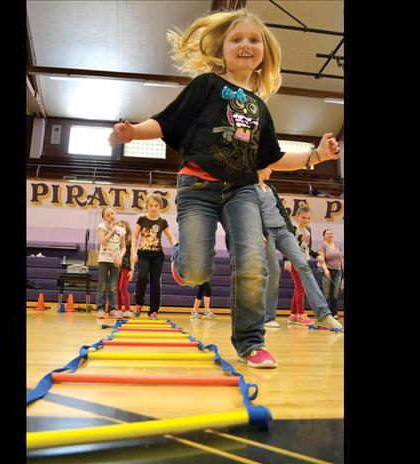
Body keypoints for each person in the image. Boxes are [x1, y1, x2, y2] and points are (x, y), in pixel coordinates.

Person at [109, 9, 341, 368]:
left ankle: (250, 342)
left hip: (242, 190)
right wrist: (133, 132)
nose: (246, 45)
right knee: (198, 272)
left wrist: (316, 155)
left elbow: (272, 158)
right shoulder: (206, 85)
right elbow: (168, 121)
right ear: (222, 48)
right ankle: (184, 258)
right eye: (237, 39)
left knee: (253, 263)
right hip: (198, 186)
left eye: (253, 39)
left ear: (264, 51)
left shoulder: (260, 108)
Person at [255, 168, 342, 330]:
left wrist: (289, 230)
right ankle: (268, 317)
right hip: (267, 232)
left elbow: (281, 212)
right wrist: (259, 231)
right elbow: (251, 212)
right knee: (274, 272)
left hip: (283, 230)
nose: (272, 171)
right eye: (269, 167)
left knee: (304, 266)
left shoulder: (271, 188)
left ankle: (324, 314)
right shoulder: (250, 189)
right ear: (260, 168)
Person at [131, 193, 177, 320]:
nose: (153, 207)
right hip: (143, 254)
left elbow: (171, 237)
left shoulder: (162, 222)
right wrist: (134, 252)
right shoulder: (141, 220)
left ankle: (153, 311)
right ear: (147, 206)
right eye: (151, 205)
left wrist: (176, 245)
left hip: (157, 256)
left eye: (156, 205)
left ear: (159, 207)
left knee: (155, 283)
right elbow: (134, 237)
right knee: (142, 277)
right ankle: (139, 303)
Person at [283, 205, 328, 326]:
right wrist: (286, 260)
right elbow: (286, 245)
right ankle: (300, 315)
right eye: (303, 217)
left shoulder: (308, 230)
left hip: (304, 261)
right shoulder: (292, 228)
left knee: (298, 287)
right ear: (297, 217)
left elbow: (307, 247)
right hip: (294, 261)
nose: (306, 220)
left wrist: (317, 256)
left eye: (308, 218)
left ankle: (293, 315)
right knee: (301, 287)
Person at [96, 207, 126, 319]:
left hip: (115, 261)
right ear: (104, 217)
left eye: (112, 213)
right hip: (104, 259)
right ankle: (100, 309)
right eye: (107, 215)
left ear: (115, 214)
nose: (111, 216)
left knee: (113, 286)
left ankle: (113, 309)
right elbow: (102, 241)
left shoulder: (122, 231)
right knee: (102, 285)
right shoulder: (102, 227)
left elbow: (123, 247)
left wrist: (120, 256)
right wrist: (112, 231)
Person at [318, 229, 344, 319]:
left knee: (335, 292)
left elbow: (341, 259)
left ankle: (334, 312)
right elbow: (321, 260)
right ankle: (326, 313)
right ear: (324, 236)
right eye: (328, 233)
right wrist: (325, 270)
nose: (330, 235)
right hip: (326, 270)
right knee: (326, 293)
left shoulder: (337, 245)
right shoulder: (322, 246)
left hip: (337, 271)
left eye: (331, 233)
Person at [116, 219, 134, 318]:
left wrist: (132, 270)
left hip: (126, 266)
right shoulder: (115, 239)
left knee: (122, 287)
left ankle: (127, 309)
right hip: (116, 266)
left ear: (126, 228)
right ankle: (119, 309)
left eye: (122, 226)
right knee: (117, 289)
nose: (120, 228)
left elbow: (132, 255)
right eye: (118, 226)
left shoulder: (130, 240)